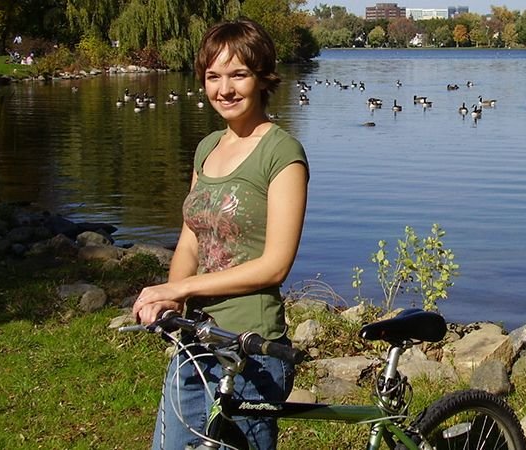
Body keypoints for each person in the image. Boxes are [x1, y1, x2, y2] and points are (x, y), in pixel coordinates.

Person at [131, 18, 308, 450]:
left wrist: (185, 287)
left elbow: (274, 265)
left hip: (252, 351)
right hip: (196, 339)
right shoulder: (207, 147)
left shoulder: (282, 153)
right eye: (213, 76)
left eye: (238, 74)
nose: (224, 89)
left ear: (262, 77)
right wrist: (171, 295)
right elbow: (191, 239)